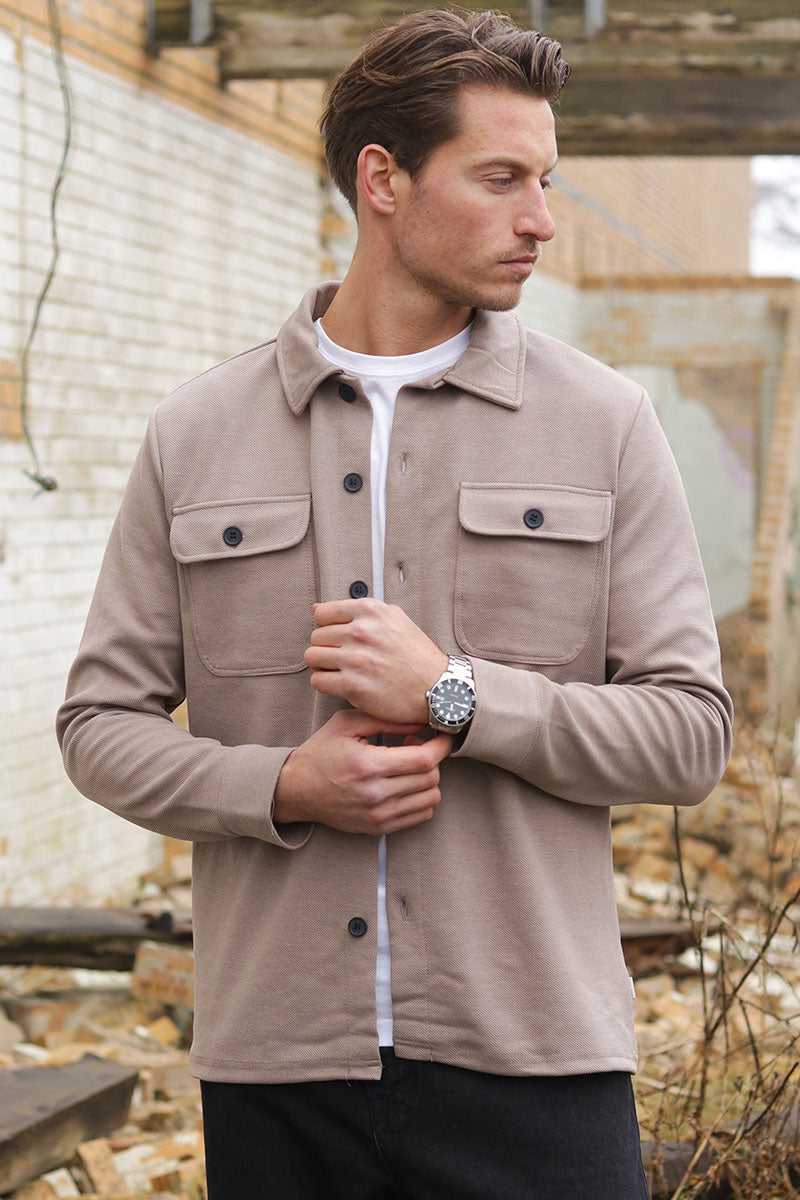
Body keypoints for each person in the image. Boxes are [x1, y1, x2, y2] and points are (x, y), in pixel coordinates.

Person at [57, 9, 733, 1198]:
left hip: (533, 1061)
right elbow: (97, 728)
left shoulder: (604, 424)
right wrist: (282, 786)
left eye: (545, 180)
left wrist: (455, 696)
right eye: (500, 178)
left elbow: (687, 737)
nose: (540, 219)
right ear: (383, 180)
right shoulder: (197, 434)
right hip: (278, 1070)